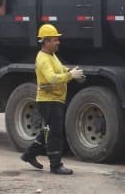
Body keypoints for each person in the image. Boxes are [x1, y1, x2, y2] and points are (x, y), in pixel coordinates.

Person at [21, 24, 83, 175]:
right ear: (46, 41)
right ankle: (55, 165)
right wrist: (70, 76)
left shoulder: (51, 56)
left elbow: (60, 69)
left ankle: (29, 154)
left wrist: (71, 72)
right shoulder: (43, 59)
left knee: (48, 131)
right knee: (55, 132)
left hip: (55, 99)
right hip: (48, 101)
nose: (58, 42)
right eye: (55, 40)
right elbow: (52, 78)